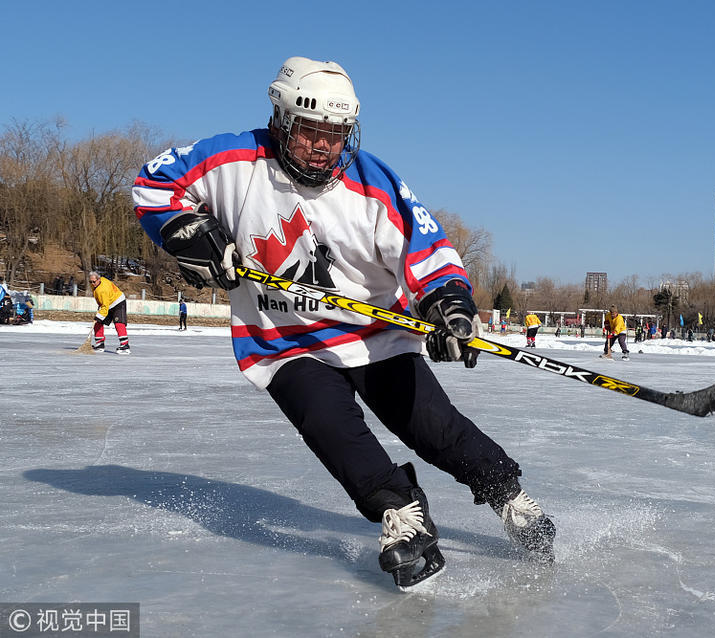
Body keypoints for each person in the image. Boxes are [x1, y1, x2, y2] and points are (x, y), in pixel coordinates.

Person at [131, 56, 554, 588]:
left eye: (336, 133)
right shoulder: (231, 160)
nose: (323, 145)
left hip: (377, 335)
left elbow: (428, 251)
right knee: (330, 428)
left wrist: (448, 304)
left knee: (432, 427)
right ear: (281, 119)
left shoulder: (373, 181)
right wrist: (187, 229)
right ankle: (402, 517)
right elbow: (151, 187)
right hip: (284, 341)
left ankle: (509, 497)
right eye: (310, 130)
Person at [89, 272, 130, 354]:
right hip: (108, 303)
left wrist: (98, 316)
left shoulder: (102, 290)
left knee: (118, 323)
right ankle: (99, 344)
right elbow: (104, 302)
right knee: (98, 323)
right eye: (91, 282)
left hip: (118, 302)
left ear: (99, 279)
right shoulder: (98, 283)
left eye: (94, 282)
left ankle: (125, 345)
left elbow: (105, 306)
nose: (92, 284)